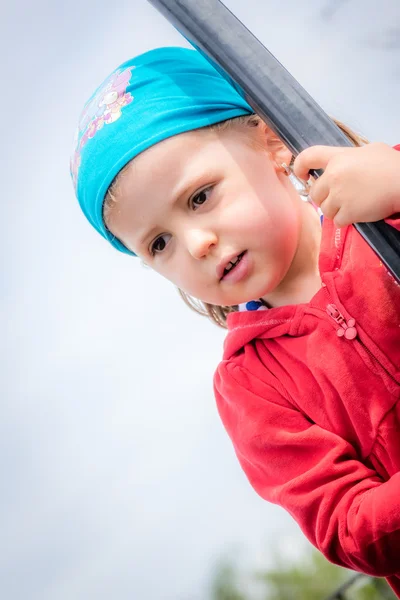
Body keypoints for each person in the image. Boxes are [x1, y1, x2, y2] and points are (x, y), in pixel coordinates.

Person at [70, 47, 400, 595]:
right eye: (159, 243)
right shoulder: (250, 386)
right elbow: (347, 525)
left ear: (270, 141)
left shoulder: (384, 200)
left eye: (200, 196)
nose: (196, 244)